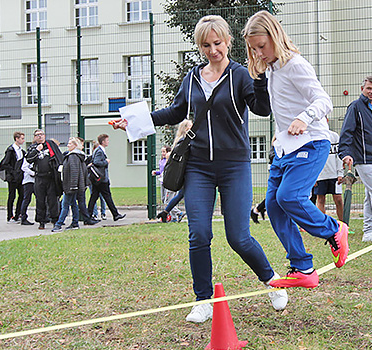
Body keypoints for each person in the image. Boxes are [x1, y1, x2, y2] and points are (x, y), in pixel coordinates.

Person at [113, 15, 288, 322]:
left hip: (234, 165)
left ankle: (271, 281)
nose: (212, 50)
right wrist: (133, 121)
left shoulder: (240, 75)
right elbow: (175, 111)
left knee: (239, 237)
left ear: (228, 41)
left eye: (217, 43)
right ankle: (203, 300)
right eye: (206, 45)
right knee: (199, 234)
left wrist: (260, 77)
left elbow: (262, 109)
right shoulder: (192, 78)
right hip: (198, 167)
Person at [243, 10, 349, 289]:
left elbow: (324, 100)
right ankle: (303, 267)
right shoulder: (271, 70)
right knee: (275, 207)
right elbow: (271, 109)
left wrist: (304, 118)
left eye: (262, 46)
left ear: (275, 36)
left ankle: (334, 230)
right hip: (285, 147)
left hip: (311, 142)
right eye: (253, 49)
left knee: (290, 196)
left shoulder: (296, 65)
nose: (259, 53)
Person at [339, 76, 372, 242]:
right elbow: (347, 132)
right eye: (369, 88)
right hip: (363, 159)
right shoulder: (355, 107)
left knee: (371, 195)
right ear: (362, 89)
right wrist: (345, 153)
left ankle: (368, 231)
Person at [25, 129, 63, 230]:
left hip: (51, 177)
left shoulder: (50, 145)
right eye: (37, 135)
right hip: (39, 177)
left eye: (41, 134)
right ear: (35, 137)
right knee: (40, 200)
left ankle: (55, 219)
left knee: (52, 200)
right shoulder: (33, 148)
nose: (40, 136)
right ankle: (41, 221)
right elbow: (28, 159)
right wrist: (37, 150)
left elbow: (59, 157)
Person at [155, 121, 191, 223]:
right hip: (185, 174)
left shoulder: (179, 142)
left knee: (181, 194)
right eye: (190, 126)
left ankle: (167, 212)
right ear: (186, 129)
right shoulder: (184, 142)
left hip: (181, 174)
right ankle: (174, 213)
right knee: (181, 195)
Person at [52, 137, 91, 232]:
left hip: (71, 185)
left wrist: (73, 185)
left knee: (65, 205)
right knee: (73, 204)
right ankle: (75, 223)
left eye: (70, 143)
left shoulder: (73, 156)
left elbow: (74, 171)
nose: (68, 145)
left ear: (74, 145)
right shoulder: (78, 156)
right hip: (74, 185)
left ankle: (58, 224)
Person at [87, 134, 125, 222]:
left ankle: (88, 215)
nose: (108, 142)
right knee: (107, 196)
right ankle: (115, 214)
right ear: (103, 142)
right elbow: (96, 162)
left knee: (94, 196)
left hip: (98, 179)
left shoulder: (98, 150)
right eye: (107, 140)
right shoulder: (100, 151)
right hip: (101, 179)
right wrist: (106, 162)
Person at [312, 130, 344, 222]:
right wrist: (314, 176)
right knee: (320, 200)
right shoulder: (313, 137)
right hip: (320, 175)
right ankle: (322, 225)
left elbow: (339, 156)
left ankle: (343, 225)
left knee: (338, 199)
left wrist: (340, 173)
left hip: (334, 175)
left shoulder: (334, 136)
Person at [0, 131, 25, 223]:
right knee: (12, 196)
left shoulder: (21, 151)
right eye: (22, 138)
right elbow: (5, 163)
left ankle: (18, 214)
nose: (23, 140)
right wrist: (13, 172)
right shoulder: (11, 150)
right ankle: (10, 216)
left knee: (22, 195)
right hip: (13, 177)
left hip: (20, 177)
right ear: (16, 139)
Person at [18, 156, 35, 225]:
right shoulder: (28, 157)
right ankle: (23, 217)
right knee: (27, 199)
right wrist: (33, 173)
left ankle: (44, 216)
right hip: (28, 181)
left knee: (40, 198)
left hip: (34, 181)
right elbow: (24, 167)